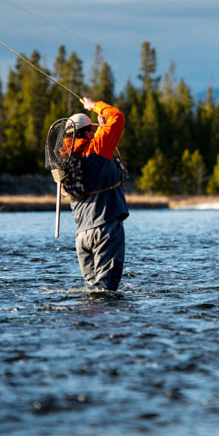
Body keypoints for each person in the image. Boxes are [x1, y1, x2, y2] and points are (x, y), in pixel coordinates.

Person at [68, 96, 129, 291]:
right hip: (105, 230)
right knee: (105, 292)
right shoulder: (98, 148)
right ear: (87, 133)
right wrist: (94, 106)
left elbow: (94, 160)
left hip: (82, 236)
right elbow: (117, 117)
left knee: (93, 291)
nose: (95, 132)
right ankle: (104, 322)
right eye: (92, 129)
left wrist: (102, 130)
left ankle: (90, 320)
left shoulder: (66, 157)